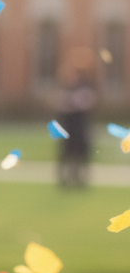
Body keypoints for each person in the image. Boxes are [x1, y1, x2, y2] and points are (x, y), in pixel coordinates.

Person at [56, 46, 97, 188]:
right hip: (68, 124)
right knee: (66, 153)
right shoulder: (67, 86)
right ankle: (65, 179)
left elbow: (85, 103)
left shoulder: (85, 86)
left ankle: (79, 179)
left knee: (80, 152)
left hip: (79, 124)